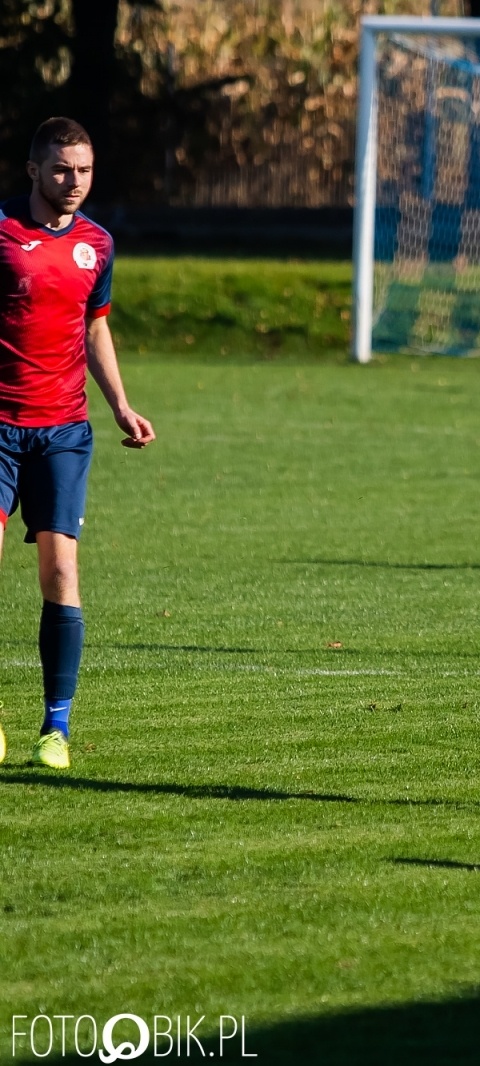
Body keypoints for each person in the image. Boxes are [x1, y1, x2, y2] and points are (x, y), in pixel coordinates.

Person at [0, 117, 156, 769]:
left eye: (84, 170)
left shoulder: (99, 244)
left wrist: (120, 403)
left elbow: (95, 328)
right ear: (34, 170)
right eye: (62, 169)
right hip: (1, 426)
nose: (74, 182)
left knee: (61, 571)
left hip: (64, 429)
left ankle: (54, 728)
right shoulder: (3, 232)